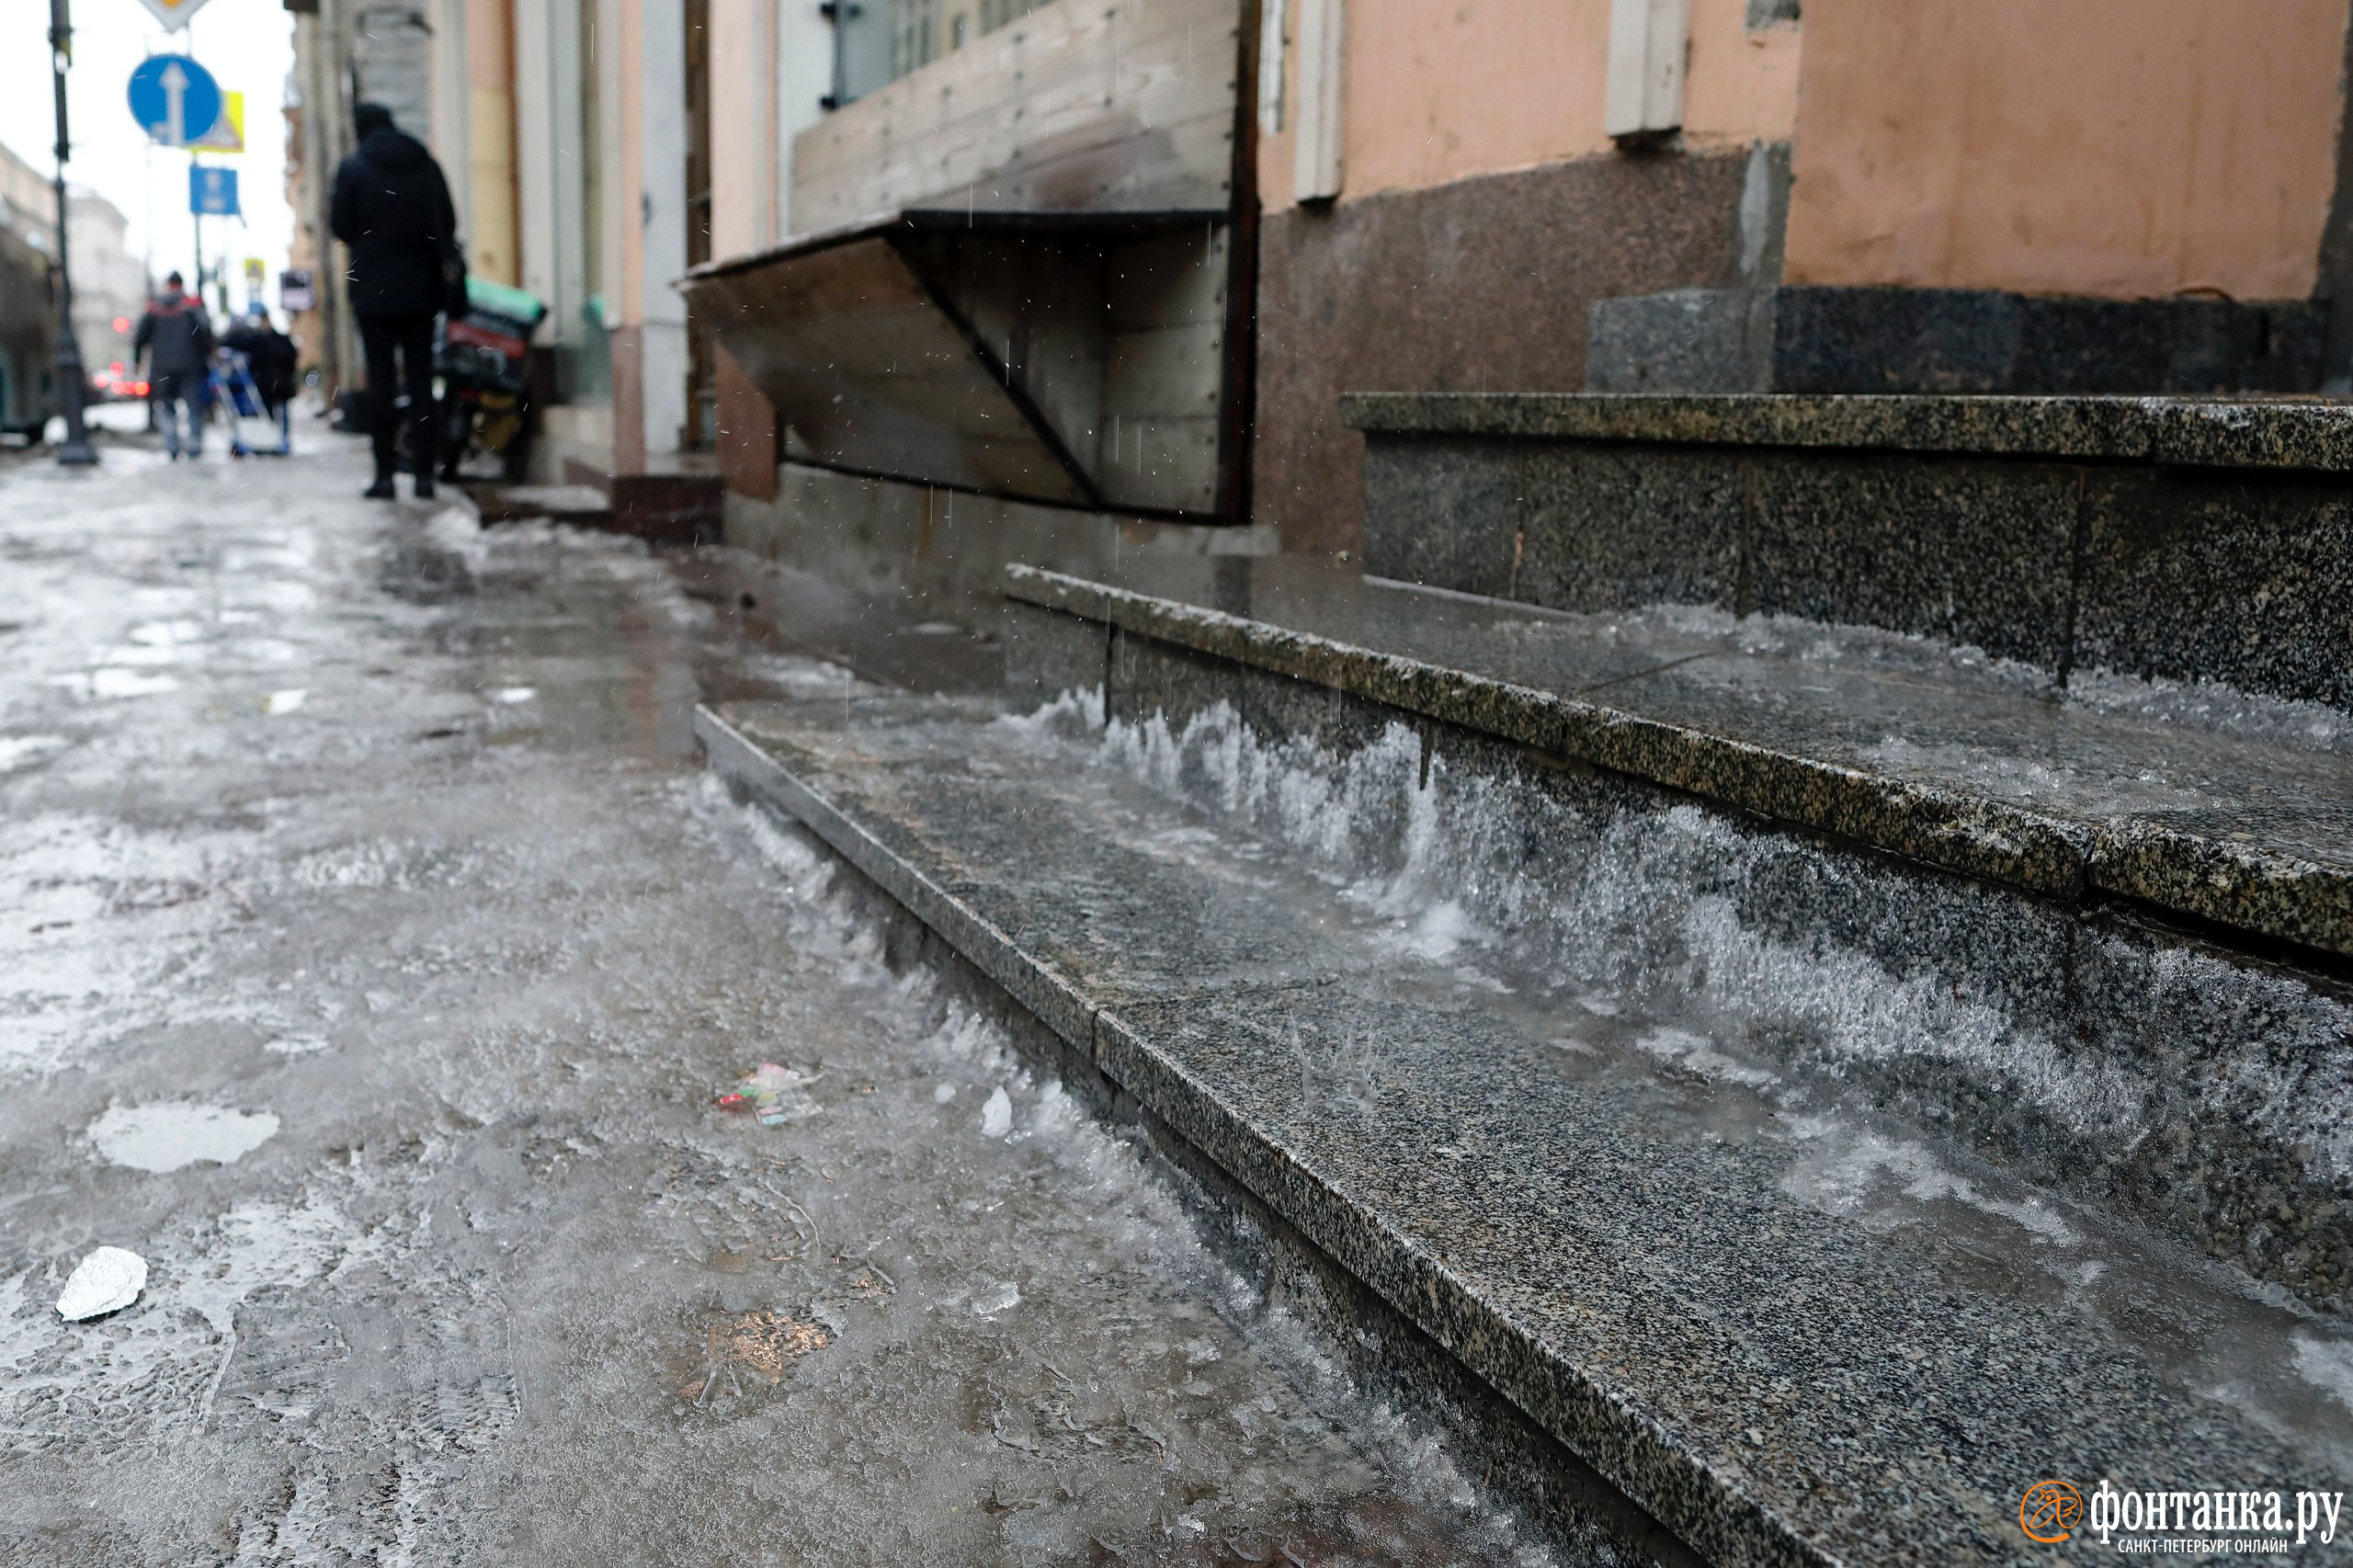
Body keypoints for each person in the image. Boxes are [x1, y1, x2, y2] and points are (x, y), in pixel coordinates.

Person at [330, 102, 458, 499]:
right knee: (421, 382)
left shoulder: (354, 169)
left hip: (373, 292)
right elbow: (447, 223)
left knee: (381, 384)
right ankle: (424, 475)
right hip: (422, 289)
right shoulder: (426, 165)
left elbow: (340, 226)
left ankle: (385, 476)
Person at [133, 272, 213, 461]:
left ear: (168, 284)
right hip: (190, 366)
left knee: (167, 407)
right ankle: (194, 447)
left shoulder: (154, 307)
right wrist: (207, 354)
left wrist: (137, 359)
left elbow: (140, 335)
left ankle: (172, 446)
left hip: (162, 367)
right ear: (181, 284)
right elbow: (205, 331)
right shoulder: (191, 305)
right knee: (194, 407)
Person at [223, 304, 299, 455]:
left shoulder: (274, 340)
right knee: (270, 414)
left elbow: (290, 358)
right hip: (266, 384)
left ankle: (281, 440)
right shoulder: (259, 339)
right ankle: (274, 440)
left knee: (281, 413)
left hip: (278, 382)